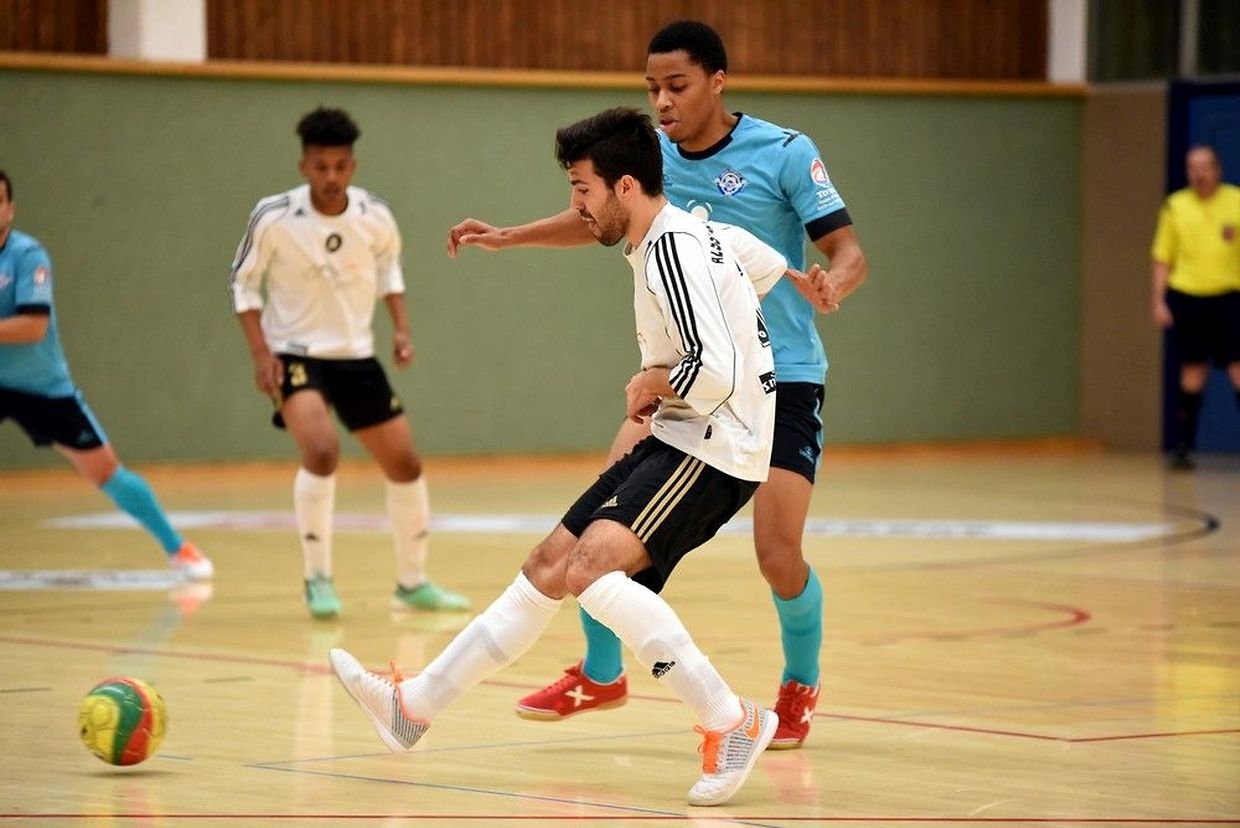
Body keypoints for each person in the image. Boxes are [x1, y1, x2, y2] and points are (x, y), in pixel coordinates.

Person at [330, 106, 783, 807]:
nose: (576, 206)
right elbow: (769, 263)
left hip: (717, 447)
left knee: (591, 571)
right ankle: (412, 707)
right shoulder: (691, 233)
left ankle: (732, 720)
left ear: (624, 187)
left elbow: (715, 371)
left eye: (582, 190)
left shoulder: (671, 249)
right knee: (549, 566)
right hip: (684, 434)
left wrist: (651, 381)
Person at [446, 20, 867, 748]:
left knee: (776, 551)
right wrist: (508, 236)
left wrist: (836, 282)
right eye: (652, 88)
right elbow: (597, 216)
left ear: (717, 81)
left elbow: (846, 247)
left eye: (676, 86)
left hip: (777, 376)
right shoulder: (652, 157)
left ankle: (799, 682)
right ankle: (602, 672)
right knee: (612, 494)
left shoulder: (785, 152)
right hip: (685, 373)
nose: (662, 101)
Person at [228, 107, 469, 618]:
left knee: (406, 464)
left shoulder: (374, 215)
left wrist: (401, 329)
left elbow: (390, 274)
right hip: (294, 355)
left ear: (352, 167)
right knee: (321, 450)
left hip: (356, 357)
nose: (331, 177)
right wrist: (260, 353)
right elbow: (243, 285)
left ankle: (412, 582)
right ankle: (317, 578)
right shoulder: (273, 217)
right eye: (321, 167)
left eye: (340, 166)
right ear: (303, 166)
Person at [0, 170, 213, 581]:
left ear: (10, 208)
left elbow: (32, 327)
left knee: (104, 470)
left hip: (41, 387)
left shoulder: (28, 256)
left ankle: (177, 547)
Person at [1151, 144, 1240, 470]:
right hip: (1187, 296)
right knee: (1191, 371)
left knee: (1237, 369)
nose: (1199, 173)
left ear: (1218, 168)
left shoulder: (1236, 201)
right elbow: (1162, 257)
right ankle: (1184, 446)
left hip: (1229, 296)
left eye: (1205, 166)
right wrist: (1158, 300)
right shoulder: (1176, 206)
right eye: (1192, 167)